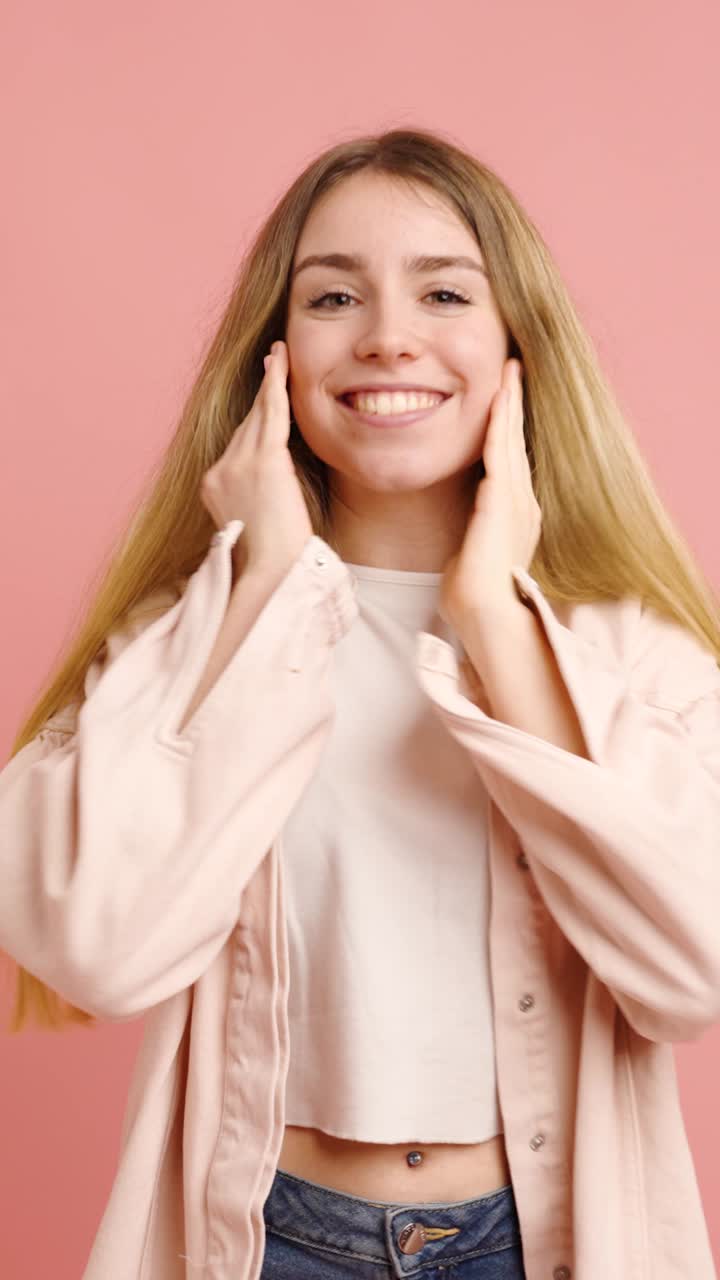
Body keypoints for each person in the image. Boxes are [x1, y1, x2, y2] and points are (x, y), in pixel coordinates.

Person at [2, 126, 719, 1280]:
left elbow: (698, 966)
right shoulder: (188, 638)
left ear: (519, 347)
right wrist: (262, 585)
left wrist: (495, 622)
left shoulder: (630, 650)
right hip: (269, 1237)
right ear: (274, 356)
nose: (388, 334)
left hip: (535, 1241)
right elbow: (96, 946)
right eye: (334, 296)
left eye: (445, 292)